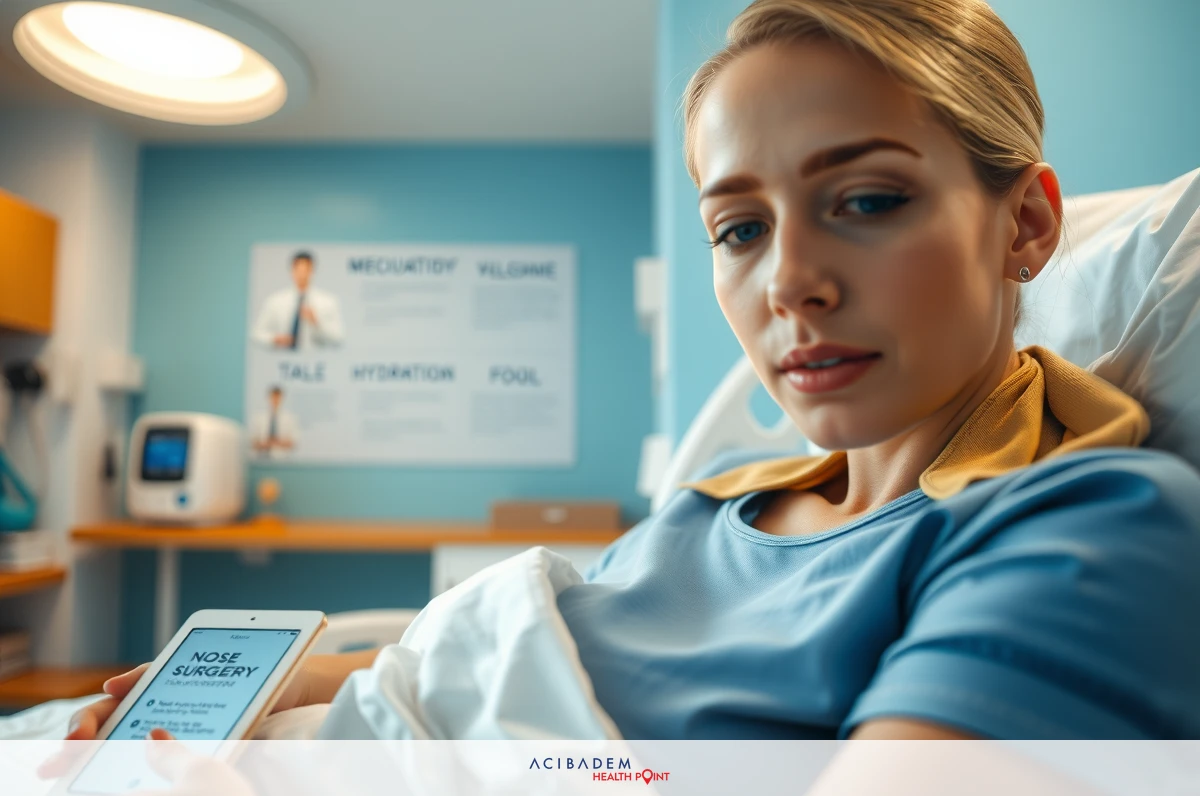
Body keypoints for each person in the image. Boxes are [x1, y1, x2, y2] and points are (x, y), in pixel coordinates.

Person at [65, 0, 1200, 747]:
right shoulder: (713, 509)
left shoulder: (1083, 531)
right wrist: (264, 688)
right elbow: (508, 651)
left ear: (1026, 225)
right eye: (739, 228)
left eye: (866, 199)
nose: (789, 283)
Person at [251, 251, 345, 350]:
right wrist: (274, 339)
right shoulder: (275, 300)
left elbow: (338, 338)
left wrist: (316, 322)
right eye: (299, 270)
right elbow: (257, 333)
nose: (302, 275)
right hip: (283, 357)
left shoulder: (328, 301)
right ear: (292, 270)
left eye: (306, 270)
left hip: (315, 357)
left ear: (313, 271)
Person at [250, 386, 298, 459]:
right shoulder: (258, 418)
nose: (275, 400)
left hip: (283, 458)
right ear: (268, 397)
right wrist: (273, 443)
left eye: (278, 397)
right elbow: (253, 442)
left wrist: (271, 442)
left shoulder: (290, 419)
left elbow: (293, 442)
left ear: (282, 398)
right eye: (273, 397)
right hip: (262, 457)